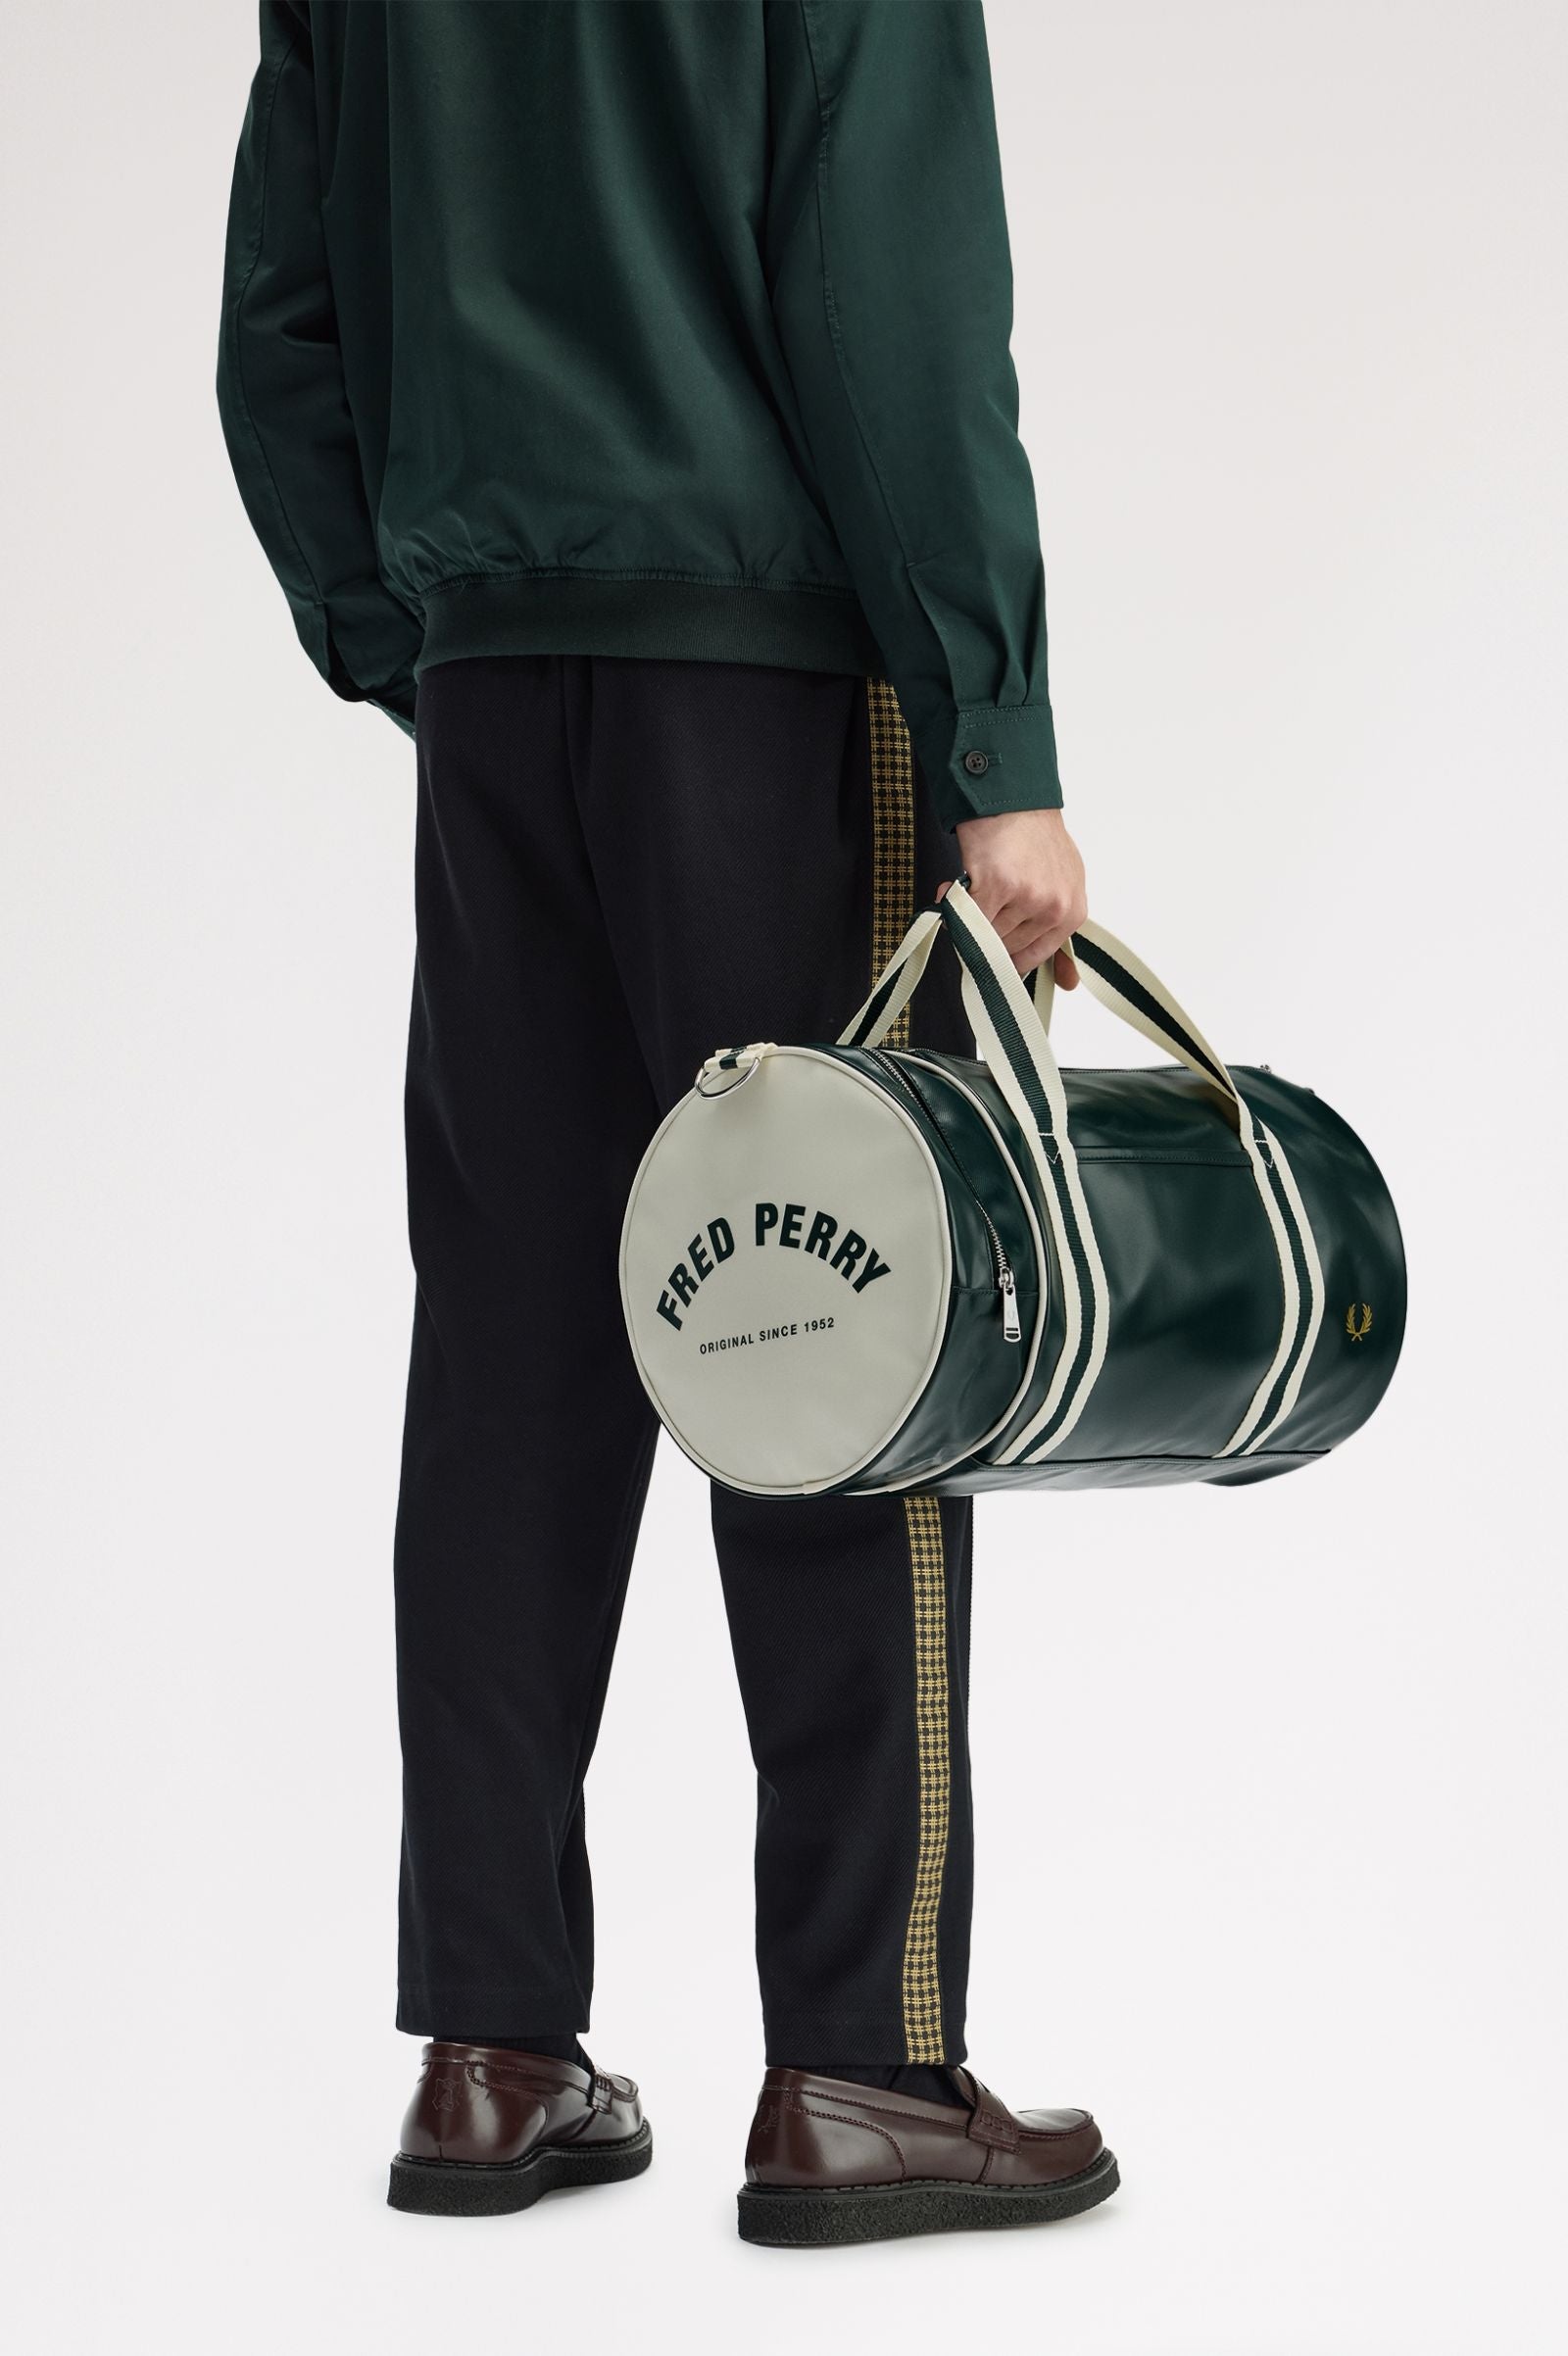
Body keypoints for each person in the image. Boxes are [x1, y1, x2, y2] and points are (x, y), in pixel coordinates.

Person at [218, 0, 1109, 2247]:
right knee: (842, 1340)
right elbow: (886, 283)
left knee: (511, 1356)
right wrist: (989, 729)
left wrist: (417, 634)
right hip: (769, 676)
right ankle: (862, 2066)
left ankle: (491, 2048)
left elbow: (284, 320)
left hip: (495, 684)